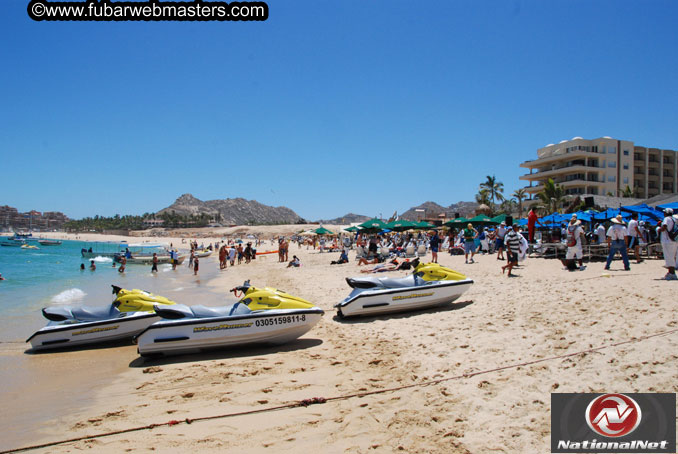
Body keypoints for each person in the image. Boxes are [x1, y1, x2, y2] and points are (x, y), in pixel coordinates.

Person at [659, 208, 678, 280]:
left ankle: (671, 273)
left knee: (668, 257)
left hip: (667, 241)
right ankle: (671, 273)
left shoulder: (666, 219)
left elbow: (664, 227)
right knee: (672, 257)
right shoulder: (674, 219)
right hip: (673, 241)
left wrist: (659, 229)